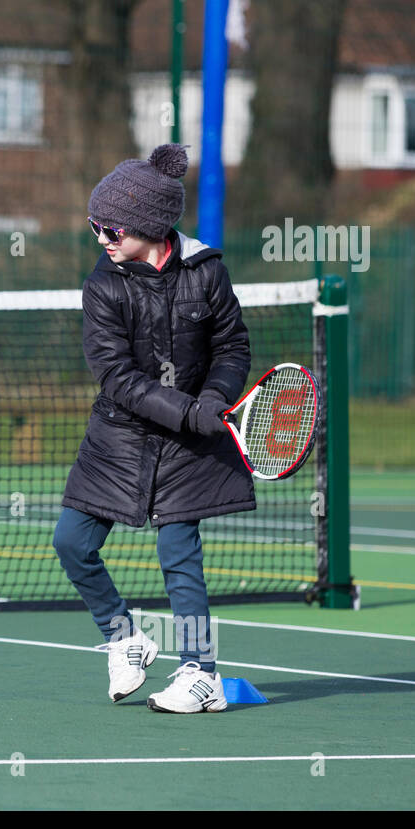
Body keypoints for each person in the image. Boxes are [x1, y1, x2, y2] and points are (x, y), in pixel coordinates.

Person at [52, 142, 252, 713]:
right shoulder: (103, 285)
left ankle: (201, 673)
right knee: (71, 542)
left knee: (178, 551)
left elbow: (231, 345)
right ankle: (125, 639)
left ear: (149, 226)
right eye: (95, 227)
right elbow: (118, 377)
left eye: (111, 229)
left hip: (192, 445)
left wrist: (214, 397)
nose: (102, 239)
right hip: (119, 436)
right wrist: (187, 410)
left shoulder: (207, 271)